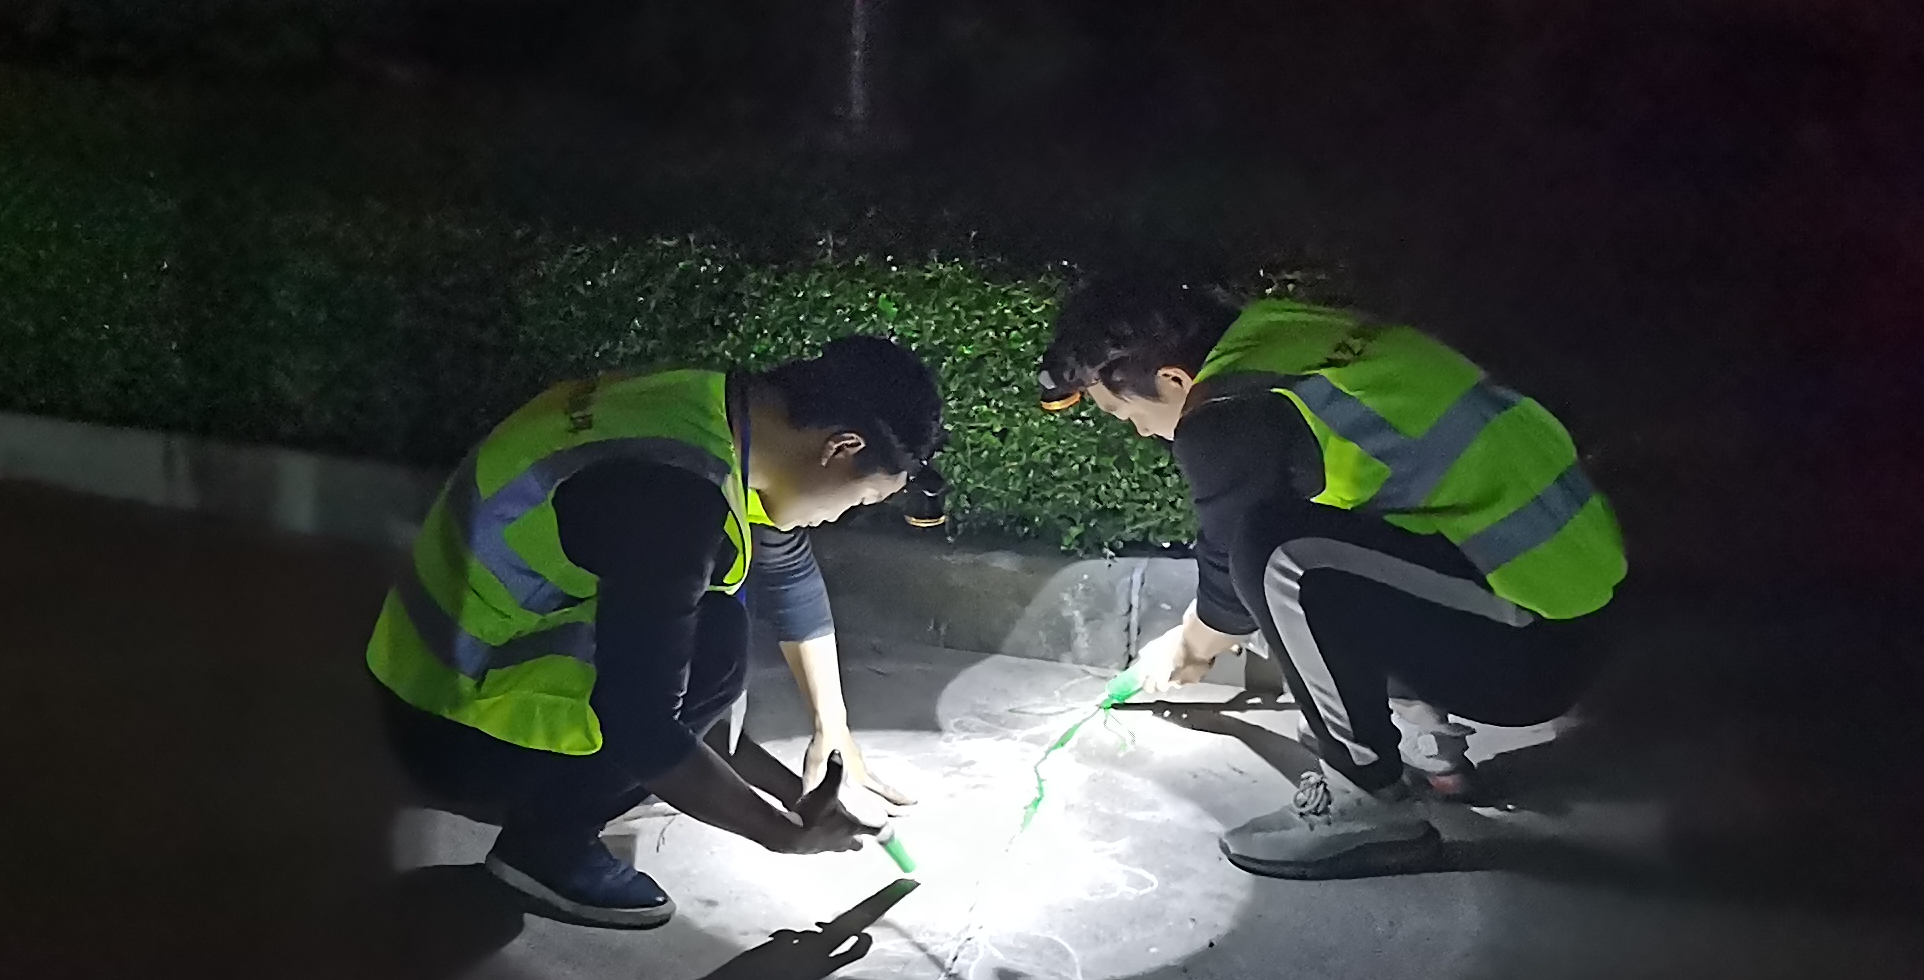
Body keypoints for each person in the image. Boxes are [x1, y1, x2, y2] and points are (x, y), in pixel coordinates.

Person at [1041, 279, 1625, 875]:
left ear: (1172, 380)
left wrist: (1188, 651)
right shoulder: (1294, 334)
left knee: (1276, 553)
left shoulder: (1228, 408)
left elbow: (1229, 579)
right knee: (1316, 565)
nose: (1141, 431)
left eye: (1127, 413)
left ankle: (1364, 799)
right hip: (1576, 604)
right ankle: (1426, 743)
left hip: (1530, 650)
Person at [367, 338, 945, 928]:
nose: (842, 517)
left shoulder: (699, 410)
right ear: (841, 447)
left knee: (702, 633)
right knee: (716, 642)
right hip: (451, 733)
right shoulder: (674, 495)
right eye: (862, 499)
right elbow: (642, 728)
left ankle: (550, 822)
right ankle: (547, 845)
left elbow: (783, 566)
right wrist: (781, 835)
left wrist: (802, 770)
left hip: (422, 670)